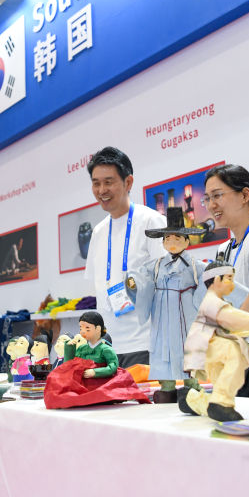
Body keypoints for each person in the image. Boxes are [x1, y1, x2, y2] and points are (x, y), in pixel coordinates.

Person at [83, 147, 166, 368]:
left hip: (146, 344)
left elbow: (170, 282)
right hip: (107, 347)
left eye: (108, 182)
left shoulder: (152, 222)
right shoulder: (98, 232)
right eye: (96, 183)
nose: (102, 190)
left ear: (128, 182)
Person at [180, 257, 249, 421]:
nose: (233, 284)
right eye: (229, 279)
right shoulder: (213, 302)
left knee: (222, 378)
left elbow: (236, 325)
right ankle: (220, 403)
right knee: (235, 355)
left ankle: (193, 400)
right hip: (208, 344)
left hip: (208, 345)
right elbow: (236, 319)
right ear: (216, 280)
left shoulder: (217, 301)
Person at [126, 206, 208, 403]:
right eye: (167, 239)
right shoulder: (156, 265)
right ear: (162, 242)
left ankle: (191, 384)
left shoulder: (195, 266)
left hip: (185, 312)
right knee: (162, 346)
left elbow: (209, 280)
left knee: (188, 345)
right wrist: (134, 283)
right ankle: (167, 386)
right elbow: (140, 277)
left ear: (187, 241)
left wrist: (198, 300)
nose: (171, 243)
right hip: (162, 311)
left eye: (177, 238)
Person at [203, 164, 249, 316]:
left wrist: (229, 329)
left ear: (245, 195)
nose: (211, 205)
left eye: (217, 195)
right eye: (207, 198)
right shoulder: (223, 249)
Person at [64, 311, 119, 378]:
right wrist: (69, 348)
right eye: (81, 328)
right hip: (82, 380)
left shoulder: (106, 349)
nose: (82, 332)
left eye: (87, 328)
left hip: (101, 381)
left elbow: (113, 366)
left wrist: (95, 372)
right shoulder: (81, 348)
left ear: (98, 329)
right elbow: (69, 366)